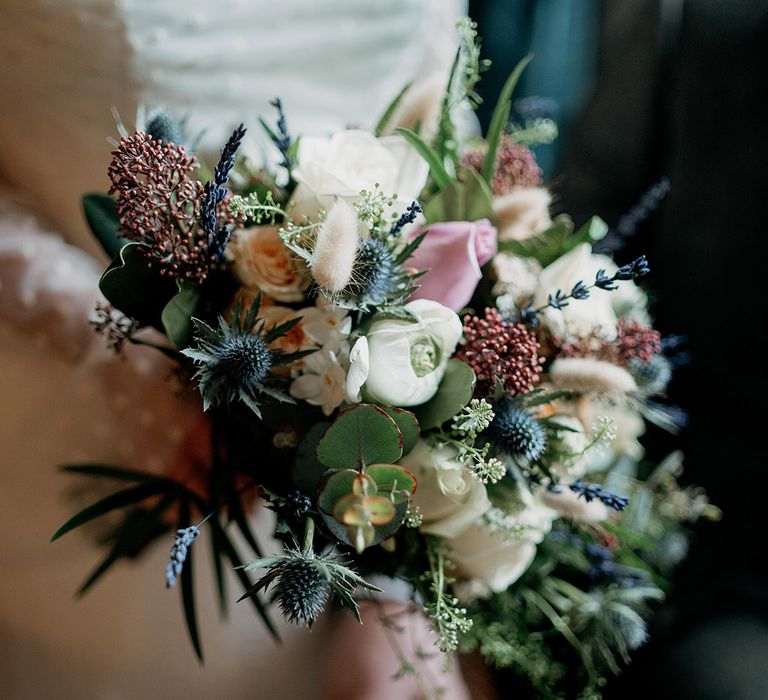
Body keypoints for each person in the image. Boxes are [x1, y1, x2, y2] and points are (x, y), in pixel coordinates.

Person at [0, 2, 474, 698]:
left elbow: (441, 104)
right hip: (102, 435)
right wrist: (135, 347)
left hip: (354, 476)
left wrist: (405, 568)